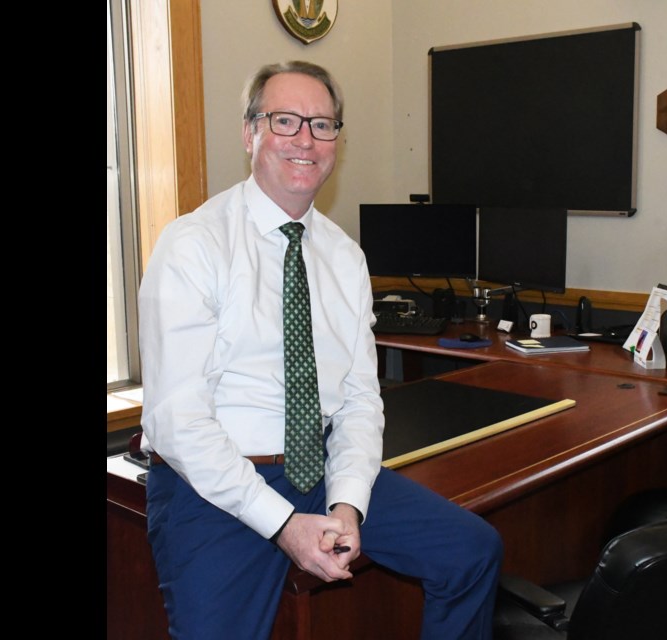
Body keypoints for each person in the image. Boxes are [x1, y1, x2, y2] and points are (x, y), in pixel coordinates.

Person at [138, 60, 503, 640]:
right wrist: (282, 524)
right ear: (249, 132)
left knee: (471, 551)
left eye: (323, 124)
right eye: (285, 120)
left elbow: (360, 398)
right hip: (213, 483)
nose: (305, 139)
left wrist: (347, 505)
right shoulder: (193, 246)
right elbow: (176, 421)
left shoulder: (343, 257)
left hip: (321, 469)